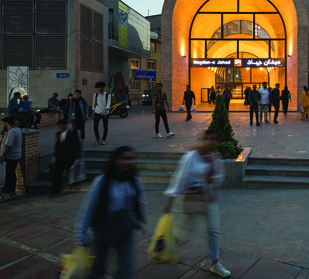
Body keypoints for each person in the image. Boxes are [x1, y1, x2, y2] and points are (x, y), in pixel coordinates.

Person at [163, 130, 230, 277]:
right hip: (192, 199)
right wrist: (170, 200)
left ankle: (215, 263)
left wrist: (213, 179)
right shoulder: (191, 157)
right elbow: (180, 178)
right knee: (182, 230)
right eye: (209, 139)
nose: (211, 142)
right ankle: (170, 247)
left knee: (213, 231)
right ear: (202, 140)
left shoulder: (214, 158)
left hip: (209, 200)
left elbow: (220, 177)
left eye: (214, 139)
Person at [75, 146, 146, 279]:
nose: (127, 162)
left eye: (130, 159)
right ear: (114, 160)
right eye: (123, 159)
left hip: (125, 229)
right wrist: (81, 234)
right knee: (98, 268)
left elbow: (139, 200)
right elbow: (88, 207)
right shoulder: (102, 181)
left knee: (126, 267)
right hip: (102, 230)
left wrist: (140, 220)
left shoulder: (133, 180)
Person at [51, 119, 82, 196]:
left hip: (69, 157)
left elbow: (77, 146)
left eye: (60, 126)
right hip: (60, 157)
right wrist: (55, 156)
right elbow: (57, 146)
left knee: (71, 171)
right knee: (57, 173)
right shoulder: (58, 134)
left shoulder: (73, 134)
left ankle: (74, 182)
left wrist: (77, 156)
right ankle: (56, 189)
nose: (58, 128)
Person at [0, 117, 22, 201]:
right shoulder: (17, 130)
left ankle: (10, 192)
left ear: (7, 123)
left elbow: (8, 146)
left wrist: (3, 157)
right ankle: (10, 191)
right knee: (11, 173)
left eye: (3, 123)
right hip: (15, 156)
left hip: (10, 157)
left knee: (8, 174)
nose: (2, 125)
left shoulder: (11, 132)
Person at [93, 81, 111, 146]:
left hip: (105, 113)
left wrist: (106, 111)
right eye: (97, 87)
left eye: (99, 87)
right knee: (95, 126)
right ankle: (97, 139)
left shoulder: (107, 95)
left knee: (105, 126)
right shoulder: (95, 95)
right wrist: (93, 112)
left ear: (103, 87)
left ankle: (103, 139)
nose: (98, 89)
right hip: (97, 111)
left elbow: (108, 104)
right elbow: (94, 104)